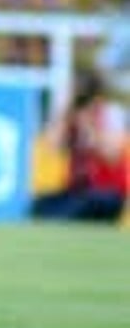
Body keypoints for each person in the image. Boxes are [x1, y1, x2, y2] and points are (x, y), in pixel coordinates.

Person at [31, 69, 129, 223]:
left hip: (106, 193)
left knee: (94, 202)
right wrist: (66, 114)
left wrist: (89, 125)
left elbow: (113, 156)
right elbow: (52, 145)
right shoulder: (70, 116)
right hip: (77, 191)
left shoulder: (111, 113)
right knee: (39, 206)